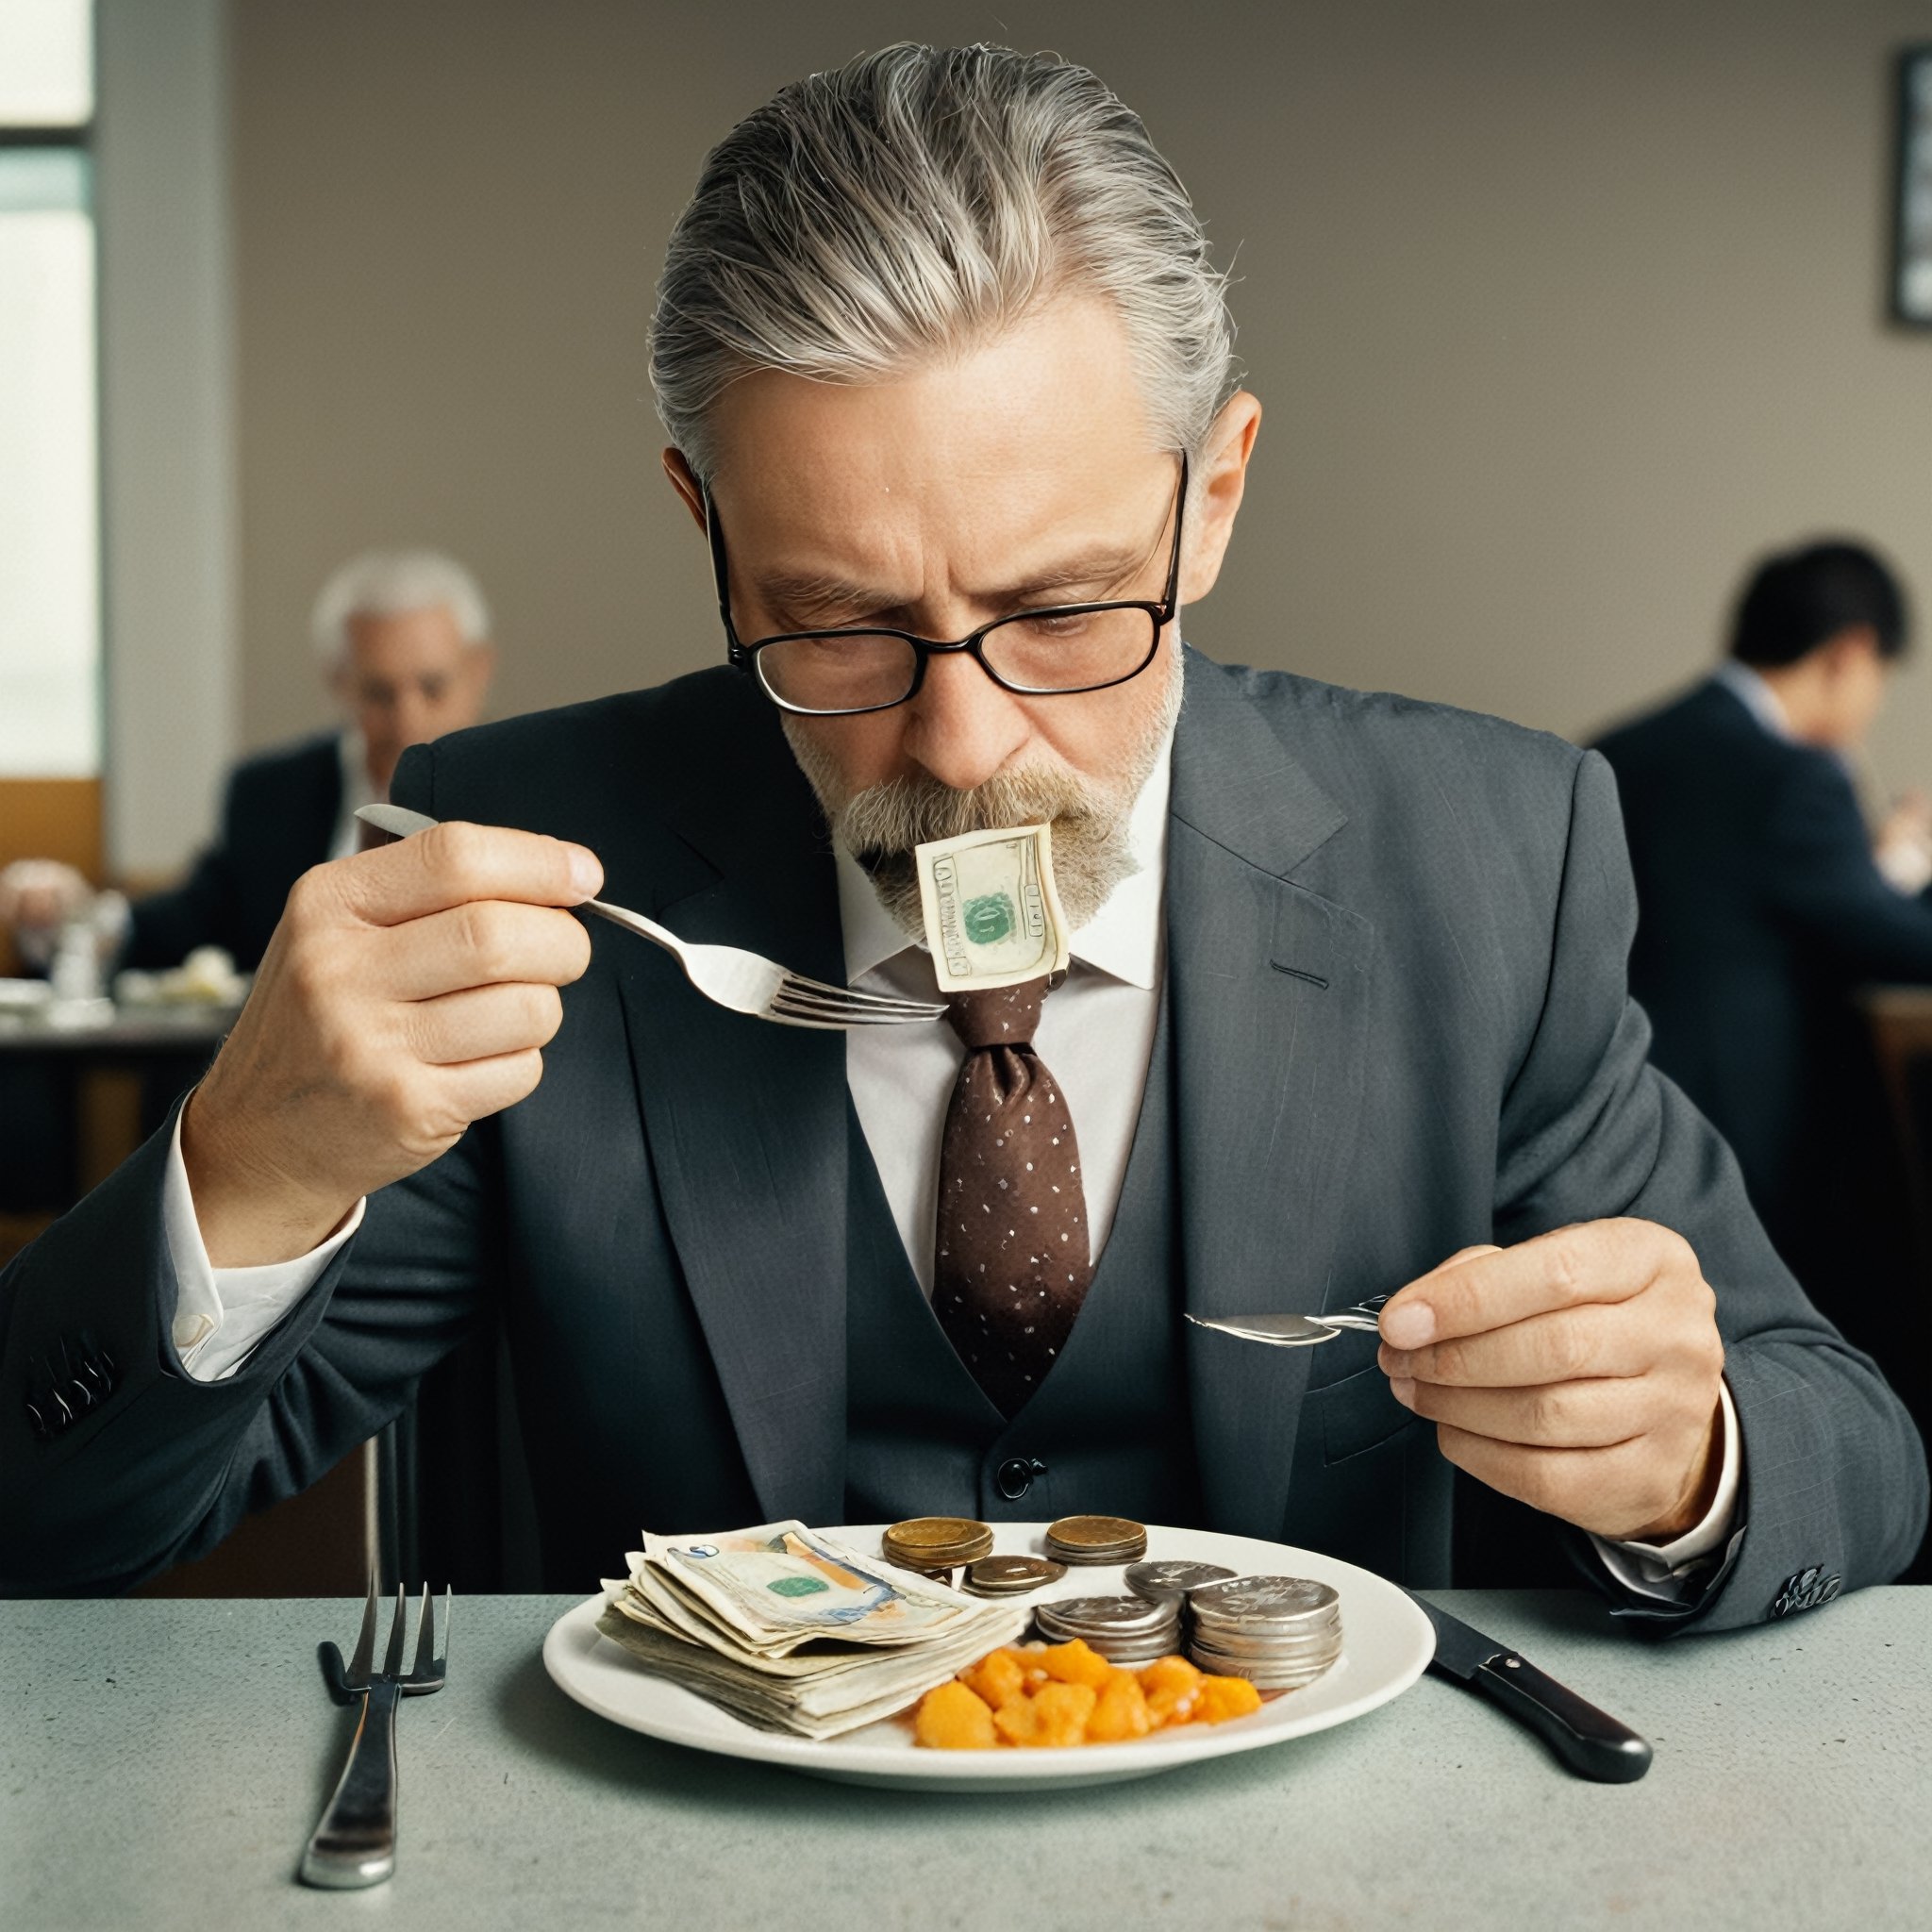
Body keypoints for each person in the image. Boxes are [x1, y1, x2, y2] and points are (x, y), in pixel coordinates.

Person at [4, 46, 1923, 1626]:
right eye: (837, 626)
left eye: (1070, 608)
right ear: (708, 531)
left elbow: (1852, 1440)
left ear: (1215, 498)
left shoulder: (1490, 849)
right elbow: (63, 1525)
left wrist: (1684, 1455)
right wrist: (239, 1167)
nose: (961, 742)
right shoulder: (525, 859)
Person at [1594, 541, 1932, 1393]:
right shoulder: (1796, 777)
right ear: (1850, 654)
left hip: (1615, 1113)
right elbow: (1895, 944)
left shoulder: (1617, 750)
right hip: (1760, 1137)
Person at [0, 549, 495, 974]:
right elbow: (183, 927)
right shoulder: (273, 794)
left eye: (432, 688)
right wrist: (71, 914)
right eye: (378, 692)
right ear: (339, 682)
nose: (406, 720)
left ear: (478, 671)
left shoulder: (523, 790)